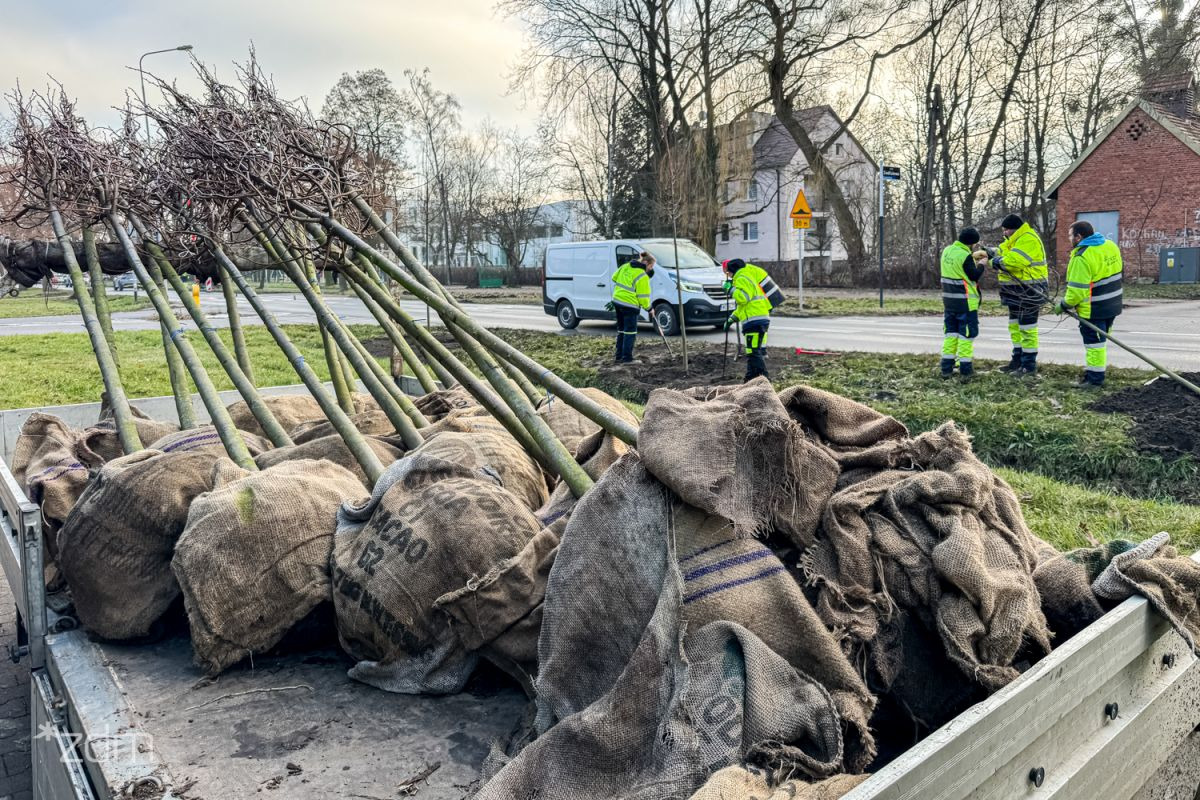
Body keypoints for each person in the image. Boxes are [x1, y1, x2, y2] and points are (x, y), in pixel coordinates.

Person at [1056, 220, 1123, 388]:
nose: (1069, 239)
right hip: (1113, 304)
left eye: (1071, 236)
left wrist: (1063, 304)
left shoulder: (1082, 257)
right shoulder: (1110, 245)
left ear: (1079, 237)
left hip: (1094, 308)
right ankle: (1093, 374)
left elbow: (1077, 292)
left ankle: (1094, 380)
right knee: (1099, 343)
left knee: (1095, 344)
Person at [991, 213, 1048, 375]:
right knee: (1015, 327)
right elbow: (1005, 252)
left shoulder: (1028, 239)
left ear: (1012, 229)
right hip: (1015, 292)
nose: (1004, 233)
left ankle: (1028, 366)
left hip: (1029, 291)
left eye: (1005, 230)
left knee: (1027, 329)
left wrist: (994, 262)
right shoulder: (1015, 240)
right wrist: (992, 252)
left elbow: (1013, 262)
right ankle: (1017, 361)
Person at [940, 227, 985, 380]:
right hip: (966, 303)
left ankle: (946, 368)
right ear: (972, 243)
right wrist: (982, 264)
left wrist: (972, 257)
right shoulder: (965, 256)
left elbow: (957, 266)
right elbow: (974, 275)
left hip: (949, 302)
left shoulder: (947, 251)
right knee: (966, 336)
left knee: (950, 335)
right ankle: (966, 370)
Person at [723, 258, 774, 382]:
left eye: (728, 273)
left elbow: (743, 298)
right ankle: (749, 379)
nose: (727, 276)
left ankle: (765, 379)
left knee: (753, 352)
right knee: (751, 351)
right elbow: (743, 307)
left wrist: (730, 290)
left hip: (754, 321)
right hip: (758, 318)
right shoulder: (747, 277)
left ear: (732, 271)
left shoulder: (741, 279)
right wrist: (731, 319)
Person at [608, 251, 655, 364]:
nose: (651, 269)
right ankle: (627, 359)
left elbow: (614, 278)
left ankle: (619, 357)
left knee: (622, 330)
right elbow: (643, 297)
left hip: (617, 301)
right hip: (629, 305)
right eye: (651, 266)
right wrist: (650, 309)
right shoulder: (642, 275)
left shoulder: (626, 266)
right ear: (647, 263)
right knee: (630, 332)